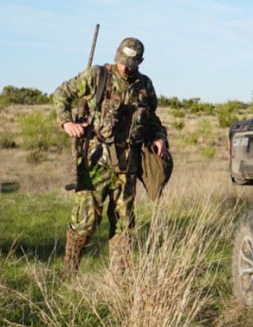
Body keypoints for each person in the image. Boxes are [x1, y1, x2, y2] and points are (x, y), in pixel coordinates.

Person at [53, 37, 169, 276]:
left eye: (131, 63)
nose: (125, 67)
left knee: (124, 225)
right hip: (95, 163)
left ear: (140, 62)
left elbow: (152, 119)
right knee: (85, 222)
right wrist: (66, 122)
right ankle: (69, 271)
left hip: (127, 165)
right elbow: (61, 93)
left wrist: (159, 137)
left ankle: (119, 279)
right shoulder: (97, 76)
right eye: (122, 61)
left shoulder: (145, 85)